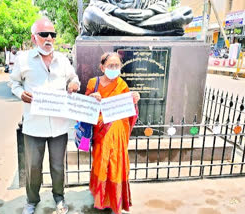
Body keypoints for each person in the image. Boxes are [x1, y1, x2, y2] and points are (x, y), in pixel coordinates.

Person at [10, 17, 80, 214]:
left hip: (59, 125)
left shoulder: (63, 60)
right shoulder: (23, 60)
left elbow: (73, 78)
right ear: (34, 38)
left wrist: (74, 84)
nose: (49, 38)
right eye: (44, 34)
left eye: (53, 35)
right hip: (34, 125)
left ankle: (59, 197)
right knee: (33, 167)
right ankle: (32, 200)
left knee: (58, 166)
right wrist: (20, 93)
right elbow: (13, 83)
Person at [85, 52, 140, 214]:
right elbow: (84, 108)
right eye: (110, 66)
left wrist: (134, 101)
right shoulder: (93, 83)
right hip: (100, 131)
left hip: (117, 134)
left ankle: (114, 198)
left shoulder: (122, 85)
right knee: (102, 163)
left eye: (117, 66)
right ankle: (100, 197)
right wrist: (91, 98)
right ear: (102, 67)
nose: (114, 69)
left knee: (116, 163)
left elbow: (128, 111)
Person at [82, 0, 193, 36]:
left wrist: (149, 12)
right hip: (112, 21)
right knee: (90, 14)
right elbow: (94, 3)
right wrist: (117, 12)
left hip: (146, 21)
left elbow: (162, 4)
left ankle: (137, 31)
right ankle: (146, 33)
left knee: (183, 14)